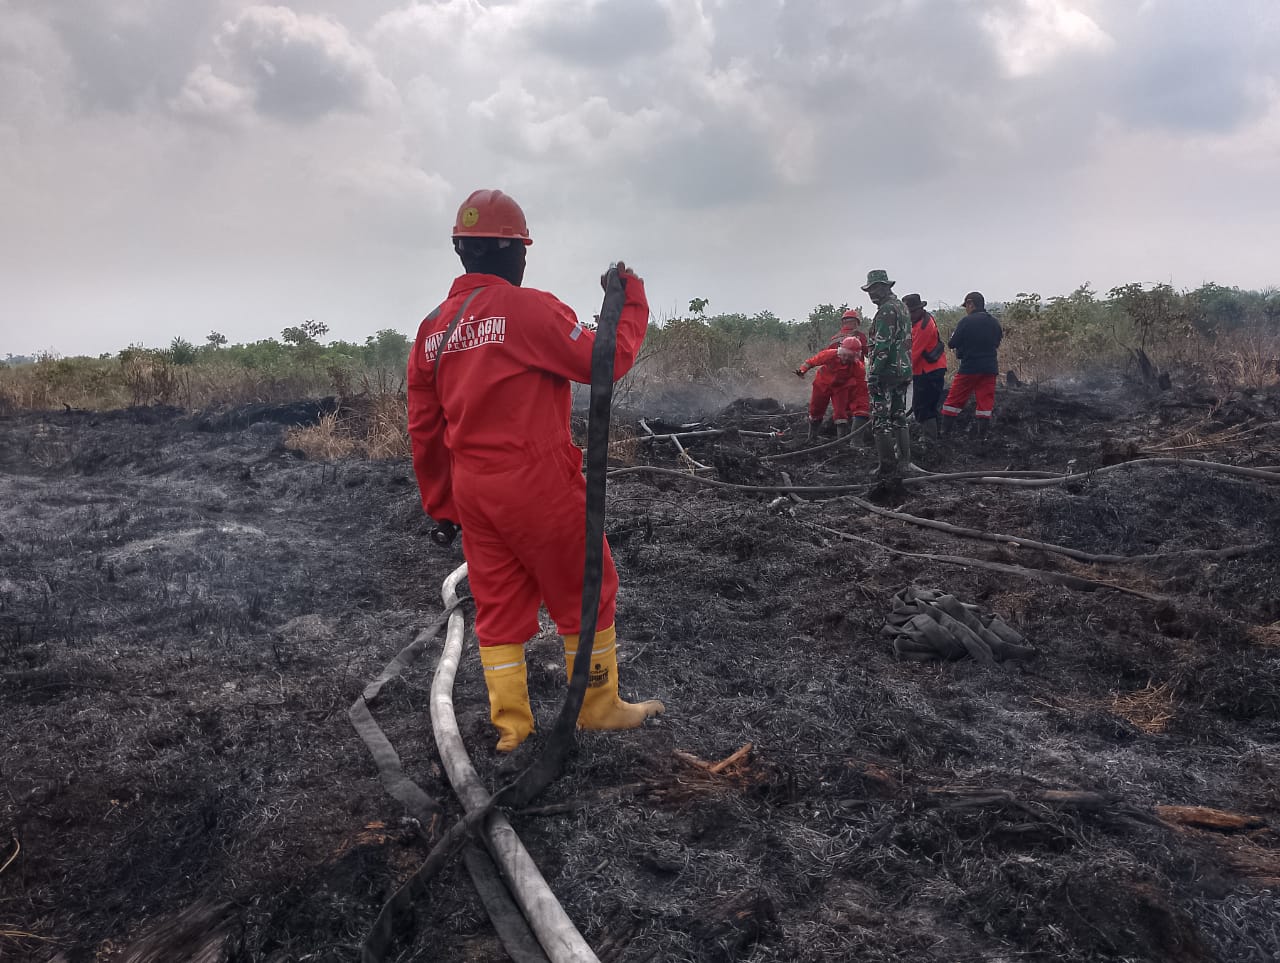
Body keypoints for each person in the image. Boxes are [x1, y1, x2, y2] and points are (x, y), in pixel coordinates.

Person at [406, 189, 664, 752]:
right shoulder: (527, 310)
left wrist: (441, 505)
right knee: (587, 586)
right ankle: (598, 708)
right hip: (537, 482)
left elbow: (424, 429)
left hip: (474, 493)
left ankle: (512, 729)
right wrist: (631, 301)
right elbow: (603, 362)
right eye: (523, 248)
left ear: (461, 250)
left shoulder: (432, 329)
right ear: (512, 251)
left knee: (498, 606)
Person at [861, 269, 914, 478]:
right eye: (869, 290)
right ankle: (904, 463)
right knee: (899, 416)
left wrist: (874, 374)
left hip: (886, 372)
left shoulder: (885, 311)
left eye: (874, 289)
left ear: (884, 288)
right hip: (903, 370)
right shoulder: (902, 307)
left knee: (881, 419)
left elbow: (882, 345)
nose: (871, 294)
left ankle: (887, 467)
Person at [941, 291, 1003, 440]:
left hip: (969, 368)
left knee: (953, 401)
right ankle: (982, 438)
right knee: (985, 403)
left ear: (971, 304)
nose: (966, 309)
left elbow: (952, 343)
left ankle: (944, 435)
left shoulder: (966, 322)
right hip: (989, 368)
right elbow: (997, 342)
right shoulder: (994, 322)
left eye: (966, 306)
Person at [795, 336, 864, 440]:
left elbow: (861, 387)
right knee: (816, 410)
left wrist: (860, 405)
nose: (846, 358)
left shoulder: (858, 367)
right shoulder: (830, 354)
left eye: (850, 356)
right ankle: (812, 438)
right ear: (840, 351)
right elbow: (811, 362)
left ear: (855, 356)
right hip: (821, 385)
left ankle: (841, 441)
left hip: (841, 388)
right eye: (844, 355)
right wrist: (802, 370)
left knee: (841, 413)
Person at [903, 293, 947, 437]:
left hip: (930, 371)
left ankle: (930, 439)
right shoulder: (918, 322)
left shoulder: (924, 327)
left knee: (924, 408)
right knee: (922, 407)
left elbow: (913, 354)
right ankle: (931, 436)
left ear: (920, 309)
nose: (910, 315)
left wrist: (901, 373)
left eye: (912, 312)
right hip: (926, 370)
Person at [829, 309, 871, 433]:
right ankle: (856, 437)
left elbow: (829, 359)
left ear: (843, 322)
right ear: (856, 323)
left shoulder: (834, 338)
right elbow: (868, 353)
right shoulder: (860, 336)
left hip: (839, 379)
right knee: (860, 406)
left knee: (841, 408)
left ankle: (842, 437)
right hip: (856, 377)